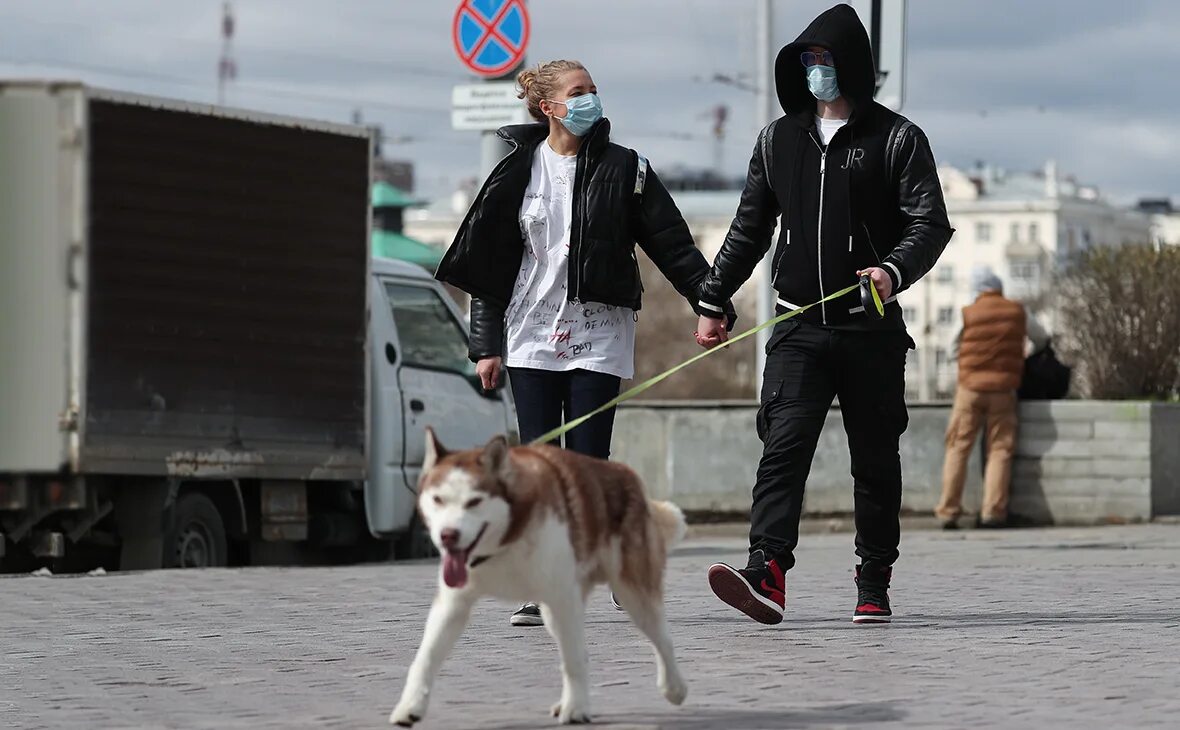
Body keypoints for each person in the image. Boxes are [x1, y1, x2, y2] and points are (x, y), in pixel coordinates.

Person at [434, 59, 732, 628]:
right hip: (530, 336)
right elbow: (488, 267)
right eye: (578, 92)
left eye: (594, 90)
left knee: (590, 461)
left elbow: (673, 244)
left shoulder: (628, 170)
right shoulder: (515, 172)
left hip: (599, 334)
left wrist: (710, 303)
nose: (590, 100)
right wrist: (486, 344)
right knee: (538, 464)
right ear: (549, 106)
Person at [693, 3, 953, 625]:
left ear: (853, 66)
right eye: (807, 60)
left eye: (826, 60)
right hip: (796, 326)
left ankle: (873, 579)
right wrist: (712, 297)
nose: (816, 71)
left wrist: (891, 271)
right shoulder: (776, 139)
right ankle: (767, 571)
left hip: (871, 330)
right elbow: (749, 228)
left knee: (875, 460)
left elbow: (930, 224)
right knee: (782, 446)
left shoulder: (897, 138)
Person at [935, 267, 1049, 529]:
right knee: (1000, 450)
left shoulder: (968, 312)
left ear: (977, 290)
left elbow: (952, 349)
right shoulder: (1018, 310)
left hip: (970, 390)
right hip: (1004, 390)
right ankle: (993, 513)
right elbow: (1040, 338)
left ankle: (948, 512)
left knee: (958, 448)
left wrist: (968, 361)